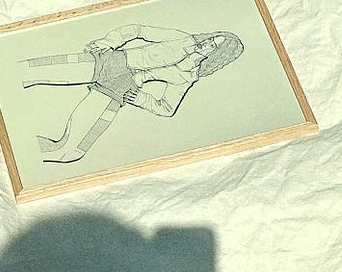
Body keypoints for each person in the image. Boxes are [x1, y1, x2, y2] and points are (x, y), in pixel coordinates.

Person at [25, 22, 244, 165]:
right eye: (212, 38)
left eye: (214, 46)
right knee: (27, 72)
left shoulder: (188, 76)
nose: (207, 44)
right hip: (111, 63)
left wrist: (140, 98)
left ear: (216, 56)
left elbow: (167, 109)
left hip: (122, 88)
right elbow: (138, 30)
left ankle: (22, 154)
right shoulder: (181, 38)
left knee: (71, 152)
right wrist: (108, 42)